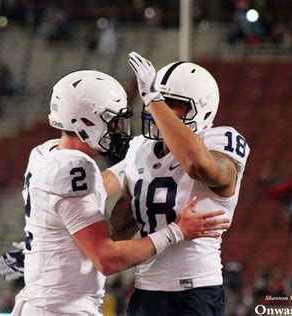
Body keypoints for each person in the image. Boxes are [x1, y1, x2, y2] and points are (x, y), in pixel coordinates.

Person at [6, 70, 230, 315]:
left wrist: (38, 246)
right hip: (60, 308)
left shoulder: (45, 153)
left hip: (44, 303)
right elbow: (107, 258)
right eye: (112, 121)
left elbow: (103, 184)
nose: (118, 129)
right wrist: (177, 231)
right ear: (86, 121)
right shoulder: (77, 169)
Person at [106, 52, 250, 315]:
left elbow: (198, 165)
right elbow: (119, 232)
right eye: (160, 100)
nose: (158, 110)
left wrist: (154, 97)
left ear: (201, 108)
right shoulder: (140, 148)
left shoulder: (220, 141)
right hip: (145, 291)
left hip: (195, 292)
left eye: (174, 103)